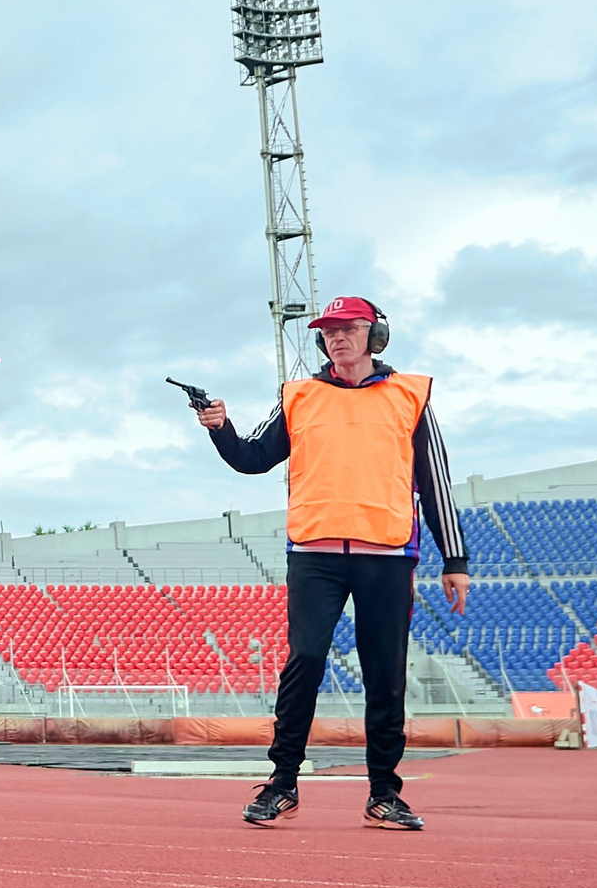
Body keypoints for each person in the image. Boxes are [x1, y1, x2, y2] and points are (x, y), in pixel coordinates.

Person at [196, 296, 469, 831]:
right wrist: (220, 428)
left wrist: (454, 558)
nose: (337, 338)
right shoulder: (298, 397)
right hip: (315, 555)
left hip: (387, 557)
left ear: (375, 335)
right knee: (304, 662)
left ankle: (385, 793)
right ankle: (282, 783)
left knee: (384, 675)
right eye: (328, 331)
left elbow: (435, 479)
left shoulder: (410, 396)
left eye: (349, 328)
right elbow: (253, 459)